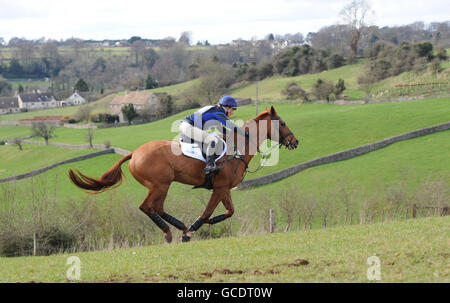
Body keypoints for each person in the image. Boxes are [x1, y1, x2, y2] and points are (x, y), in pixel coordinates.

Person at [179, 96, 249, 175]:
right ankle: (210, 165)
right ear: (227, 107)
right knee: (212, 140)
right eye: (233, 109)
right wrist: (244, 133)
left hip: (188, 126)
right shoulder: (218, 112)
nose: (233, 112)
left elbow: (220, 128)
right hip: (189, 127)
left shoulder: (215, 110)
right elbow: (229, 125)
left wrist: (232, 135)